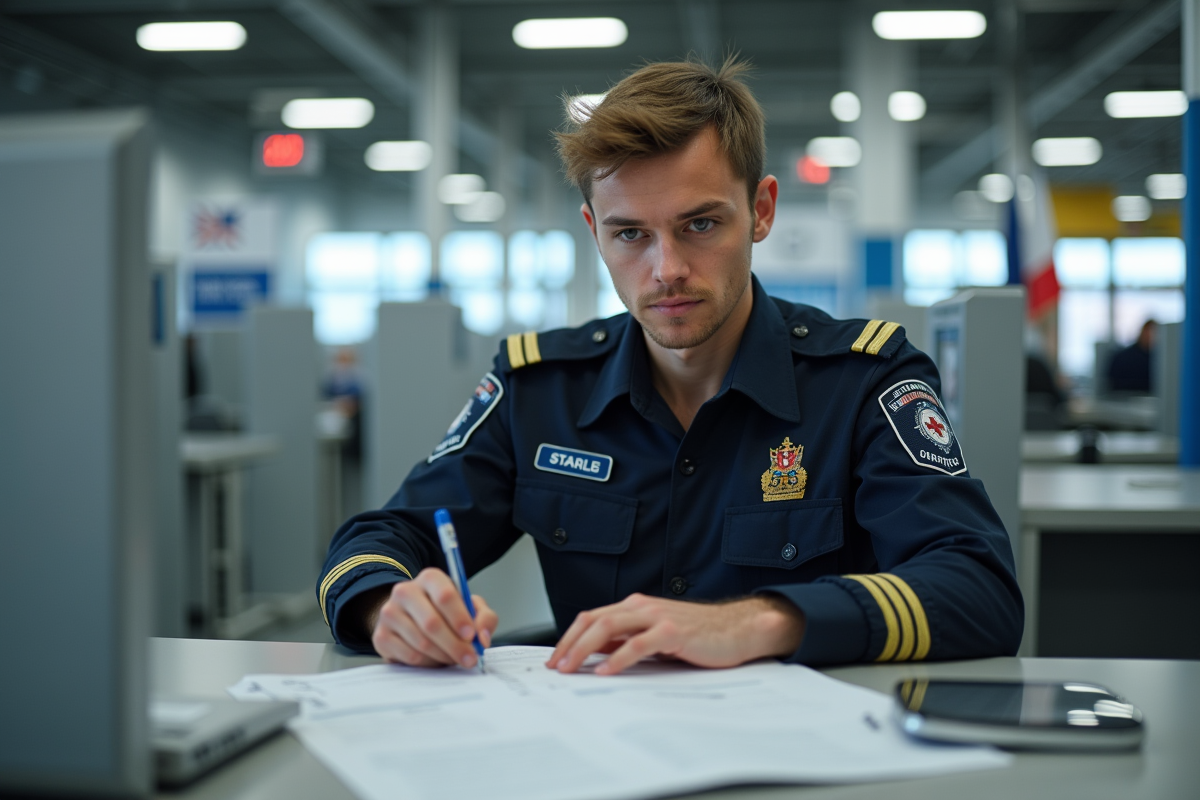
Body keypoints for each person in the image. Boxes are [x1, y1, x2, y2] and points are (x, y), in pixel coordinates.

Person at [318, 59, 1023, 675]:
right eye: (631, 234)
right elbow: (384, 537)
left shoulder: (863, 381)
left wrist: (758, 623)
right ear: (595, 232)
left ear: (762, 210)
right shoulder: (539, 390)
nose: (668, 270)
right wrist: (389, 605)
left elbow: (978, 587)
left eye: (701, 224)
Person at [1106, 319, 1157, 393]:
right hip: (1122, 400)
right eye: (1150, 331)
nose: (1152, 336)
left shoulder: (1159, 361)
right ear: (1143, 332)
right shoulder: (1123, 357)